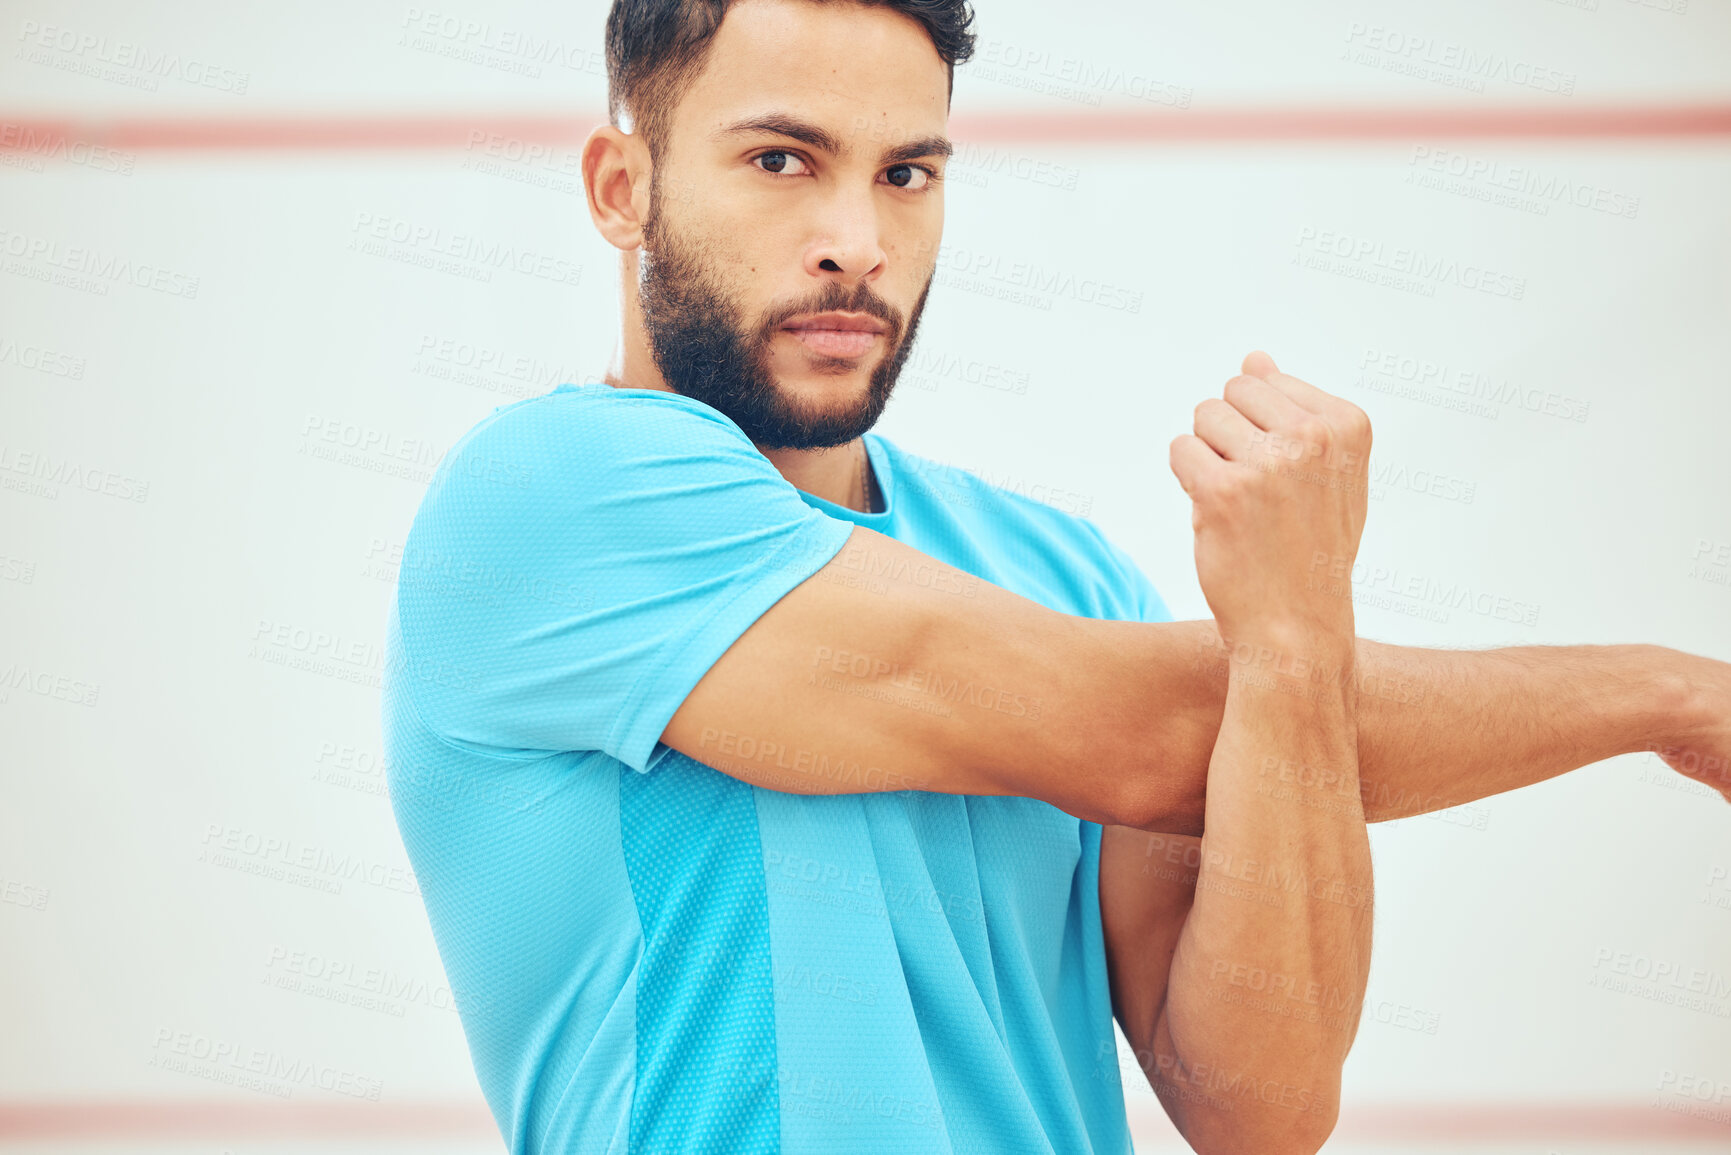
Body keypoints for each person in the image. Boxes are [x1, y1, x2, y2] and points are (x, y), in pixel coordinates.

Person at [379, 1, 1731, 1152]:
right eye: (784, 160)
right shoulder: (555, 496)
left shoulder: (1058, 569)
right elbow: (1154, 730)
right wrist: (1669, 697)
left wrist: (1297, 640)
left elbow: (1260, 1105)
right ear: (624, 187)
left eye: (906, 174)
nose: (856, 237)